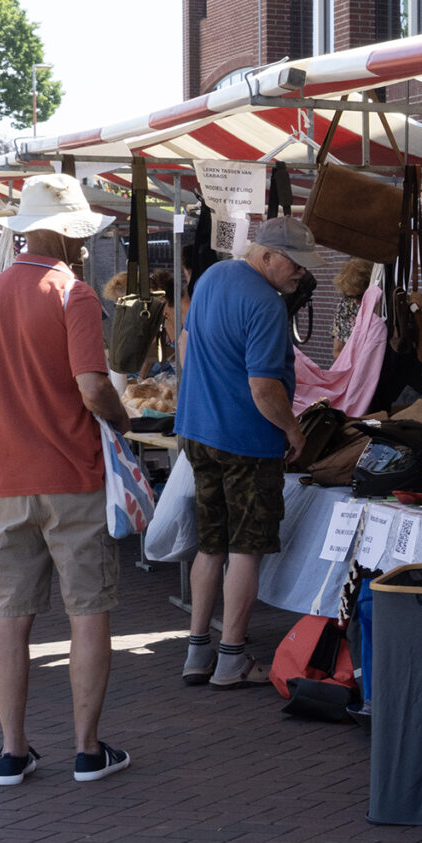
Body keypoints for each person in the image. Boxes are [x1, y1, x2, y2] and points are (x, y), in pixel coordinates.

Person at [0, 174, 133, 786]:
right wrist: (123, 421)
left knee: (10, 616)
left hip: (8, 482)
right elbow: (93, 387)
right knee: (88, 611)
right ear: (68, 233)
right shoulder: (74, 294)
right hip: (73, 475)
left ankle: (13, 752)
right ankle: (87, 750)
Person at [175, 216, 316, 690]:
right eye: (296, 264)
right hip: (246, 441)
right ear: (268, 256)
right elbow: (263, 388)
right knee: (245, 549)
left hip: (198, 432)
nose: (301, 273)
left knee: (211, 543)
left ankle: (198, 651)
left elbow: (186, 343)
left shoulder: (214, 275)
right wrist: (293, 430)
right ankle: (231, 658)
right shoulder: (266, 304)